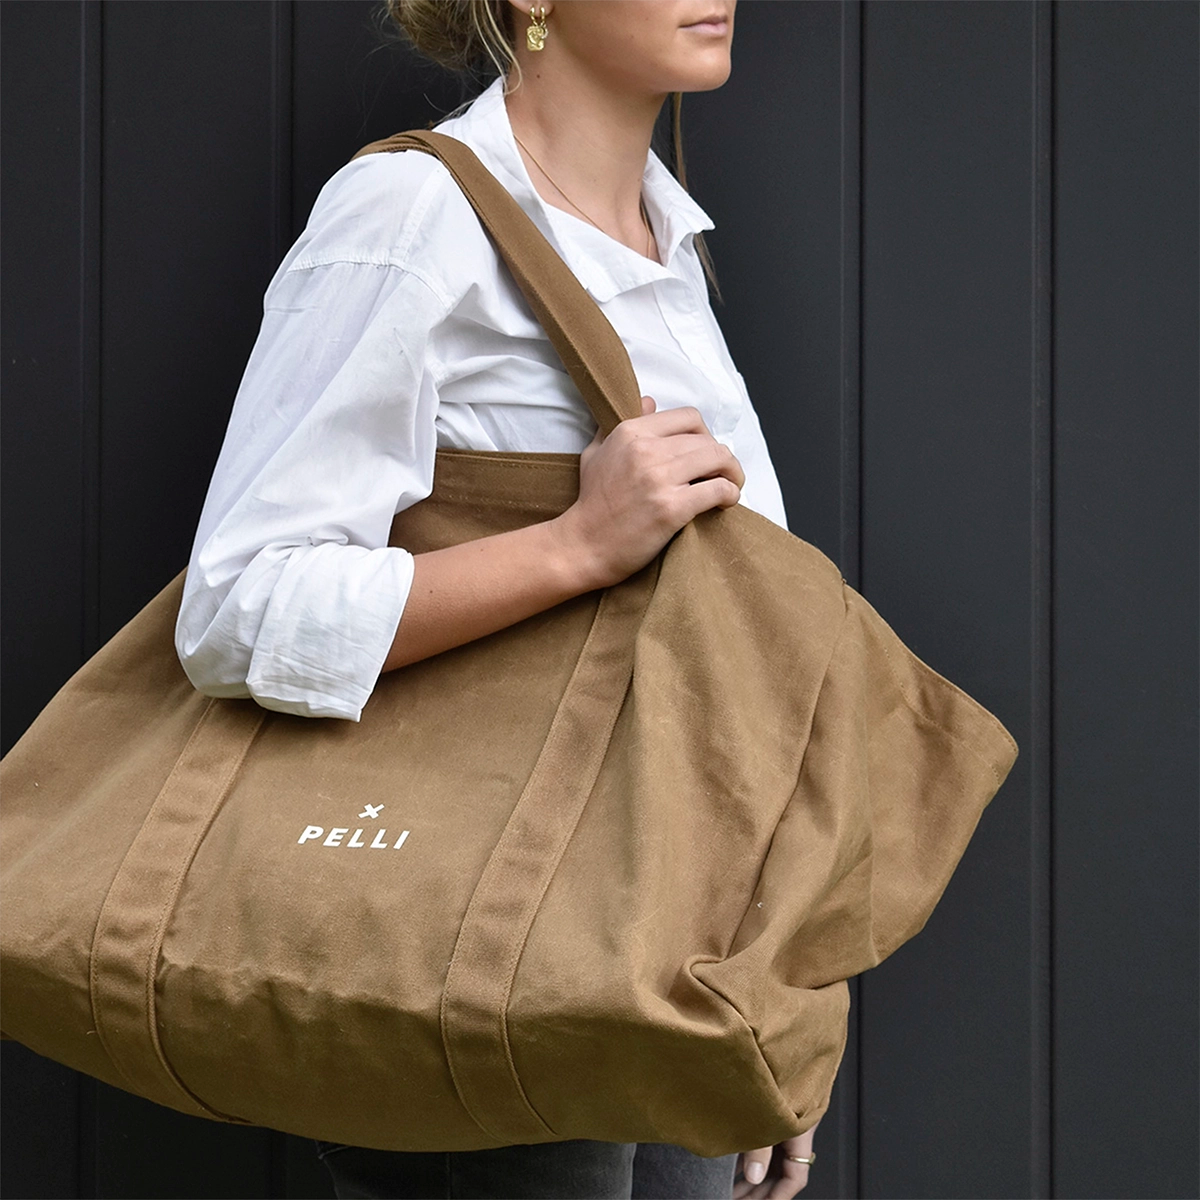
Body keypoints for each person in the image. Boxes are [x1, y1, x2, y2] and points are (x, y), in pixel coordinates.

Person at [175, 0, 821, 1196]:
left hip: (668, 972)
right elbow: (238, 608)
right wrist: (579, 543)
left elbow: (736, 671)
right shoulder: (414, 217)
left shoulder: (663, 247)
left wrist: (774, 990)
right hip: (487, 960)